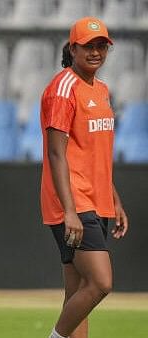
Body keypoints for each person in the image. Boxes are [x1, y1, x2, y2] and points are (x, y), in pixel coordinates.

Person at [40, 17, 129, 338]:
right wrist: (69, 210)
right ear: (73, 48)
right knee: (101, 283)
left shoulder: (102, 90)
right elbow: (55, 153)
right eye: (88, 46)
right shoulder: (63, 88)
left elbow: (95, 154)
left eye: (101, 46)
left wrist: (114, 199)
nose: (95, 52)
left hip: (96, 199)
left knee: (78, 290)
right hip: (73, 202)